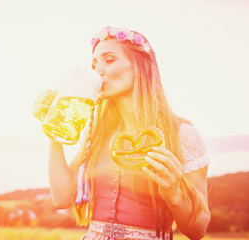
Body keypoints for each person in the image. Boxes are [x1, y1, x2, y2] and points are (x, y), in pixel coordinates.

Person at [33, 26, 211, 240]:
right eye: (94, 64)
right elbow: (61, 197)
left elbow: (198, 230)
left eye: (109, 60)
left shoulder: (183, 136)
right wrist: (54, 125)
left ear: (140, 67)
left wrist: (175, 192)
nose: (97, 71)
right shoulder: (96, 134)